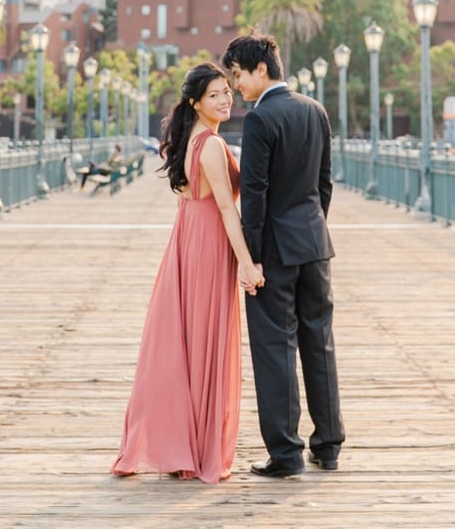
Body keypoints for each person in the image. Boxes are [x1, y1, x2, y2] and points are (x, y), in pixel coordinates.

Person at [111, 64, 263, 483]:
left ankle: (184, 444)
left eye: (227, 92)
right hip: (208, 243)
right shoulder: (212, 145)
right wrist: (246, 263)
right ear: (196, 102)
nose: (225, 99)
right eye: (215, 94)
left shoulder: (185, 141)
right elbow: (227, 210)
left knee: (188, 341)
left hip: (187, 239)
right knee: (204, 340)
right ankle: (198, 448)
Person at [222, 33, 345, 478]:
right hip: (314, 244)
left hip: (274, 250)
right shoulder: (315, 110)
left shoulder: (260, 119)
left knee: (275, 347)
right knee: (319, 341)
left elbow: (254, 195)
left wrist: (249, 260)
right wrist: (312, 228)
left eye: (237, 74)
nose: (236, 85)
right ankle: (328, 445)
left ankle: (286, 453)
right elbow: (325, 183)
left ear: (260, 68)